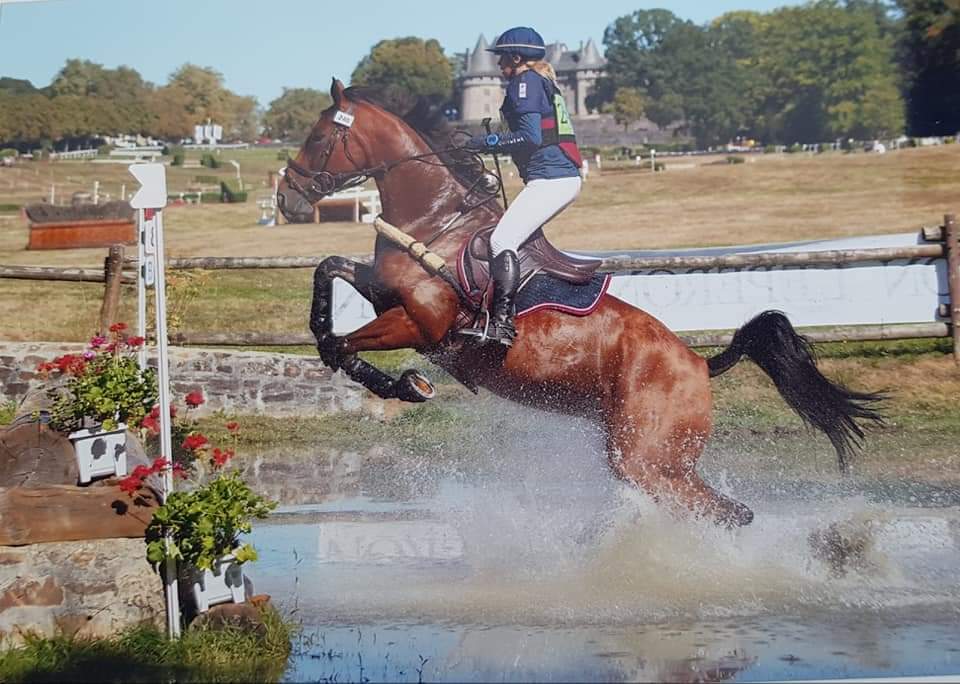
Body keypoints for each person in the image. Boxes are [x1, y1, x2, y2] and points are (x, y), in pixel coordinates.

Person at [461, 26, 584, 348]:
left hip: (553, 180)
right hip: (554, 178)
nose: (499, 65)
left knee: (502, 240)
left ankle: (502, 325)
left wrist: (487, 142)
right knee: (512, 240)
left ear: (516, 57)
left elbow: (530, 137)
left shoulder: (524, 82)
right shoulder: (538, 80)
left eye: (502, 58)